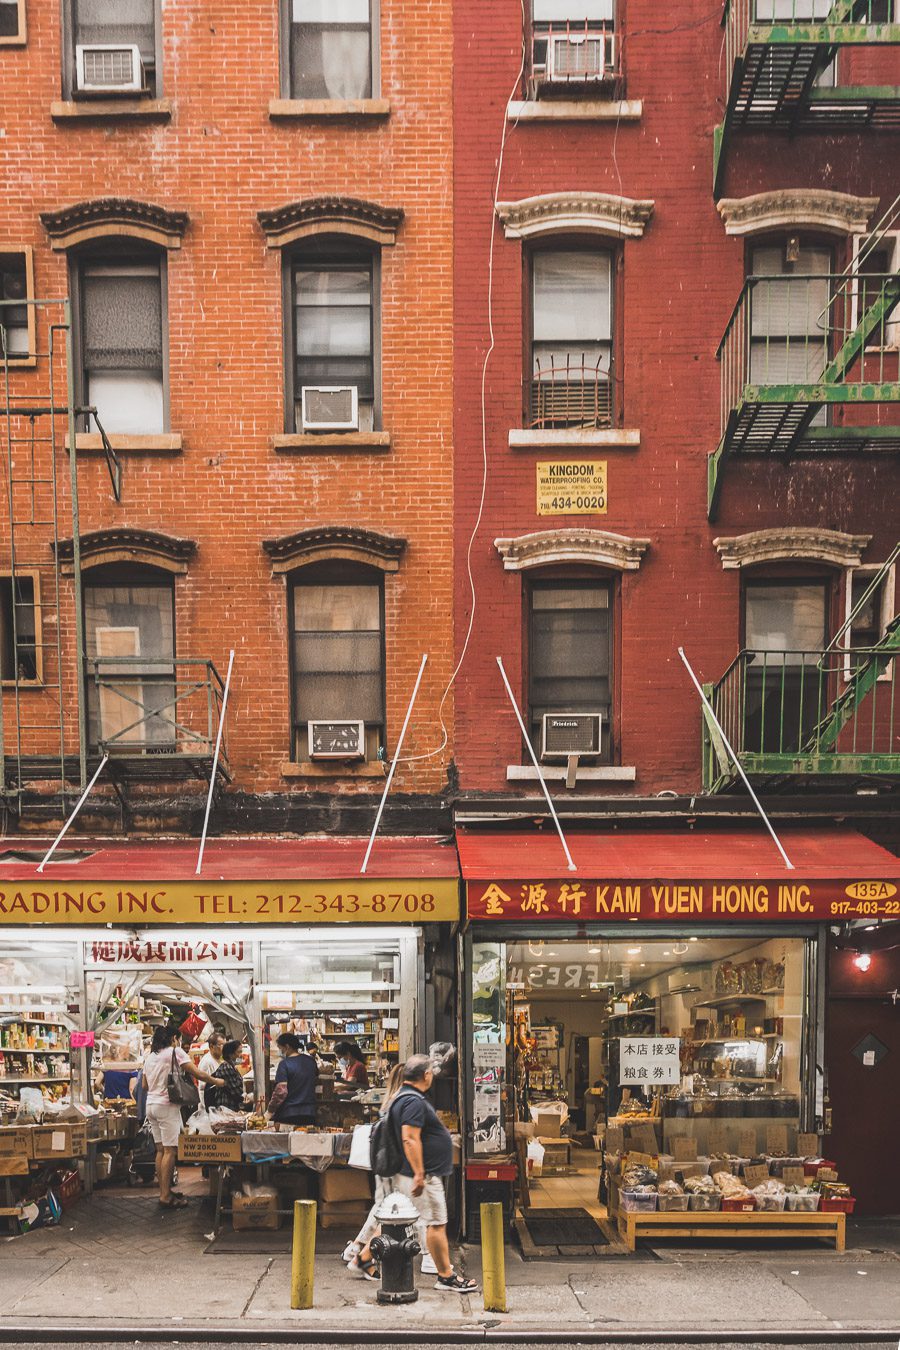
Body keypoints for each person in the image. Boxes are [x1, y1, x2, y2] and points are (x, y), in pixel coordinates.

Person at [377, 1053, 478, 1294]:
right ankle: (445, 1275)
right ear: (426, 1075)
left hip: (419, 1173)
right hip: (425, 1175)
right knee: (436, 1223)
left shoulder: (405, 1097)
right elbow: (410, 1139)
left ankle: (362, 1257)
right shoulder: (412, 1101)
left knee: (419, 1223)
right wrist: (420, 1173)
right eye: (431, 1072)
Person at [142, 1023, 219, 1209]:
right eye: (178, 1039)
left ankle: (164, 1190)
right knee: (170, 1151)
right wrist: (217, 1081)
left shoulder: (150, 1056)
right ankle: (165, 1195)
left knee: (160, 1151)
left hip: (150, 1106)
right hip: (167, 1106)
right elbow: (197, 1073)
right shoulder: (175, 1052)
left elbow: (144, 1085)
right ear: (173, 1039)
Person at [266, 1032, 318, 1125]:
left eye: (280, 1048)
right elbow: (315, 1079)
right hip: (309, 1113)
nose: (279, 1051)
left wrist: (270, 1111)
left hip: (289, 1114)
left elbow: (281, 1091)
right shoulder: (311, 1061)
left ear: (287, 1046)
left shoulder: (284, 1064)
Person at [206, 1040, 246, 1112]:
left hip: (231, 1106)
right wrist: (247, 1096)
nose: (240, 1055)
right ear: (230, 1054)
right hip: (226, 1107)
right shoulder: (227, 1067)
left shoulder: (231, 1066)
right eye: (238, 1052)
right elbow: (236, 1091)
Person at [198, 1032, 224, 1105]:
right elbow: (203, 1089)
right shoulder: (207, 1062)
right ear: (212, 1046)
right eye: (221, 1045)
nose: (223, 1048)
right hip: (209, 1106)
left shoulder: (219, 1059)